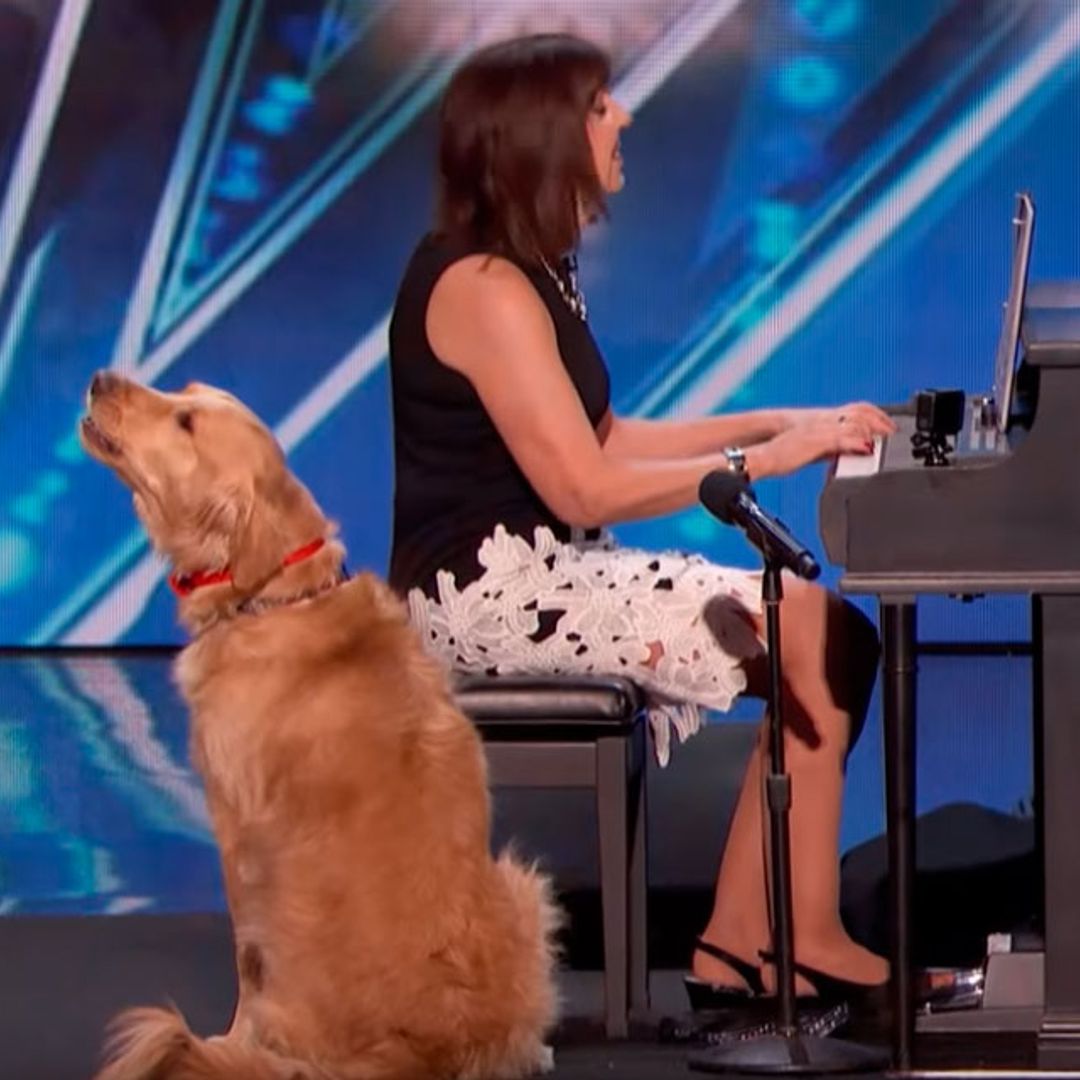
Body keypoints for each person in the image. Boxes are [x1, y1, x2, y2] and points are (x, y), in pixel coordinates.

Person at [387, 32, 896, 1007]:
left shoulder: (533, 266)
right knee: (815, 631)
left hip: (549, 570)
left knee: (830, 639)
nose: (623, 117)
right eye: (597, 105)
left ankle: (744, 945)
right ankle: (794, 941)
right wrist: (757, 464)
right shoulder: (479, 287)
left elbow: (607, 434)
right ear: (541, 133)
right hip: (490, 599)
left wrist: (772, 420)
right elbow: (584, 489)